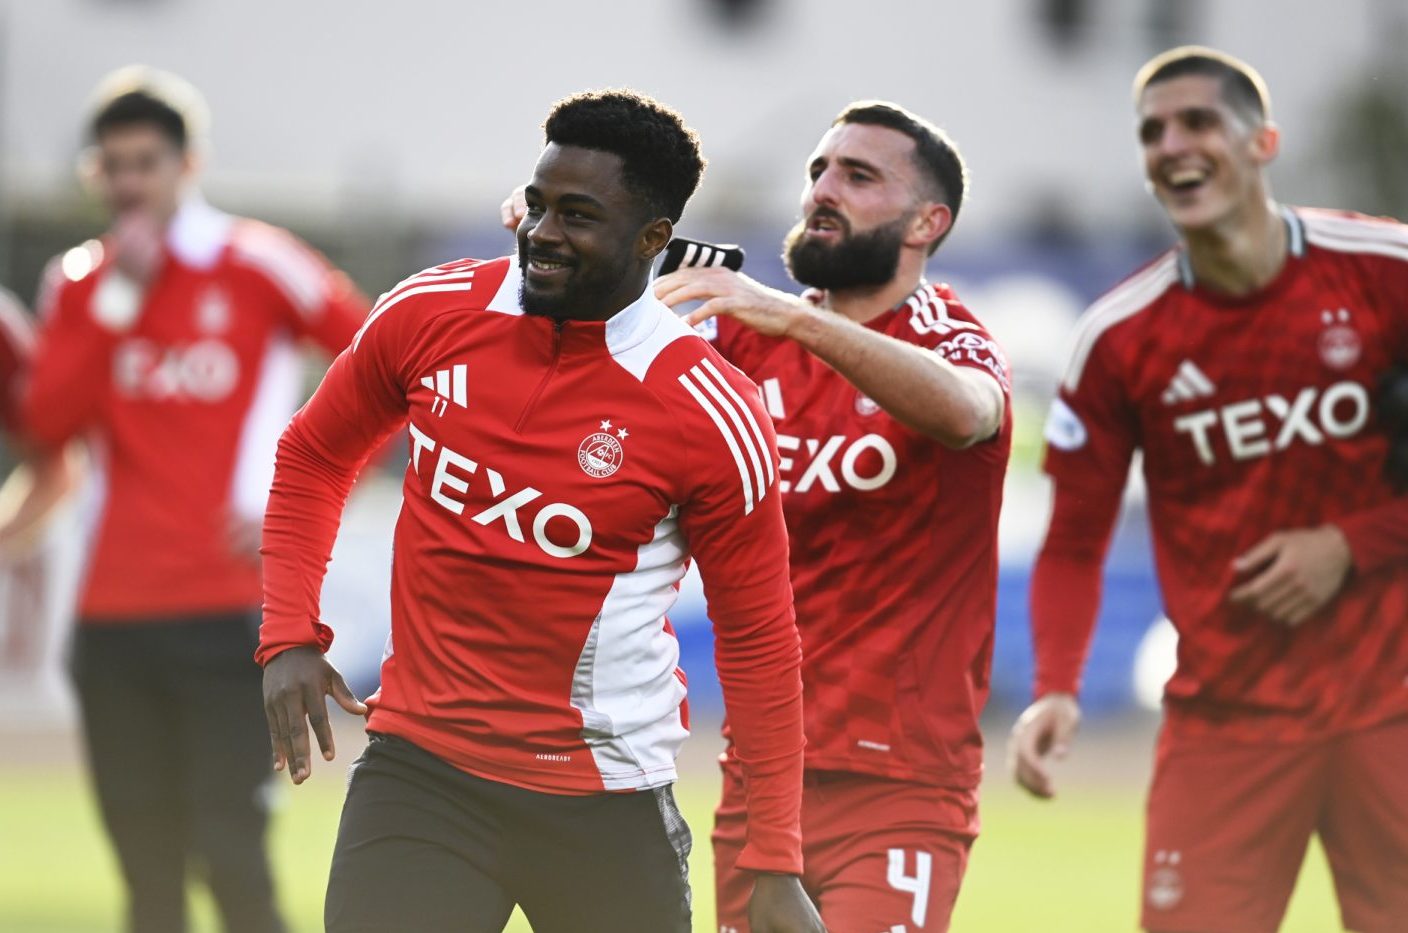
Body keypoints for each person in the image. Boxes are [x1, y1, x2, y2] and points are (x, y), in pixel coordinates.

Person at [259, 90, 824, 933]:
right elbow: (313, 454)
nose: (542, 232)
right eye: (539, 202)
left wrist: (775, 861)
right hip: (423, 774)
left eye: (578, 215)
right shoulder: (429, 311)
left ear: (653, 239)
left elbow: (760, 643)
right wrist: (289, 634)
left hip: (604, 799)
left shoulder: (708, 407)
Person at [1008, 46, 1408, 933]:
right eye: (1152, 131)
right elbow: (1074, 538)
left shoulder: (1386, 269)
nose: (1171, 145)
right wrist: (1057, 685)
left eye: (1197, 122)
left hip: (1394, 704)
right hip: (1227, 724)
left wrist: (1351, 541)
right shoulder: (1120, 337)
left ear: (1263, 140)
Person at [21, 66, 368, 933]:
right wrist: (116, 302)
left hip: (230, 612)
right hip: (113, 616)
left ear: (188, 164)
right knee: (146, 873)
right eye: (114, 165)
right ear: (94, 174)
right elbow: (44, 422)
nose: (130, 181)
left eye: (147, 161)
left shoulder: (257, 262)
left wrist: (297, 502)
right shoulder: (80, 283)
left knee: (233, 852)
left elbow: (388, 372)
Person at [655, 100, 1011, 932]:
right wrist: (551, 246)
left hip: (901, 782)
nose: (823, 188)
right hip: (760, 776)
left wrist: (791, 315)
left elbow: (967, 412)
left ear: (930, 221)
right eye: (819, 169)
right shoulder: (741, 345)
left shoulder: (946, 333)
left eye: (858, 175)